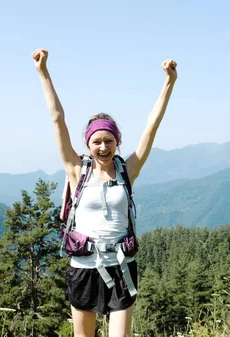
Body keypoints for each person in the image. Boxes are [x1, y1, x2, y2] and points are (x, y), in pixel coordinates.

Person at [32, 48, 177, 337]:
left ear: (116, 142)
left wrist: (169, 82)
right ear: (87, 144)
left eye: (108, 140)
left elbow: (152, 125)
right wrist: (43, 72)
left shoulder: (127, 171)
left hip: (121, 266)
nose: (102, 147)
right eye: (96, 141)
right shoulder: (76, 171)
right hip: (84, 267)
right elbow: (57, 119)